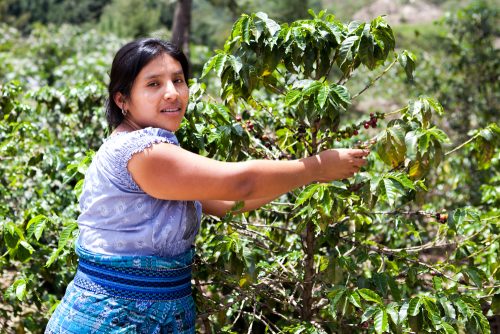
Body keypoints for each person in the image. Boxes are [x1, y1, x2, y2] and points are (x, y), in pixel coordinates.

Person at [45, 38, 369, 333]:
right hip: (114, 320)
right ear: (122, 100)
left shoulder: (159, 148)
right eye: (154, 84)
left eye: (178, 80)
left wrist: (301, 176)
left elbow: (228, 203)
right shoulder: (142, 152)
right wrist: (315, 168)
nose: (172, 92)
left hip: (151, 317)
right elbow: (241, 184)